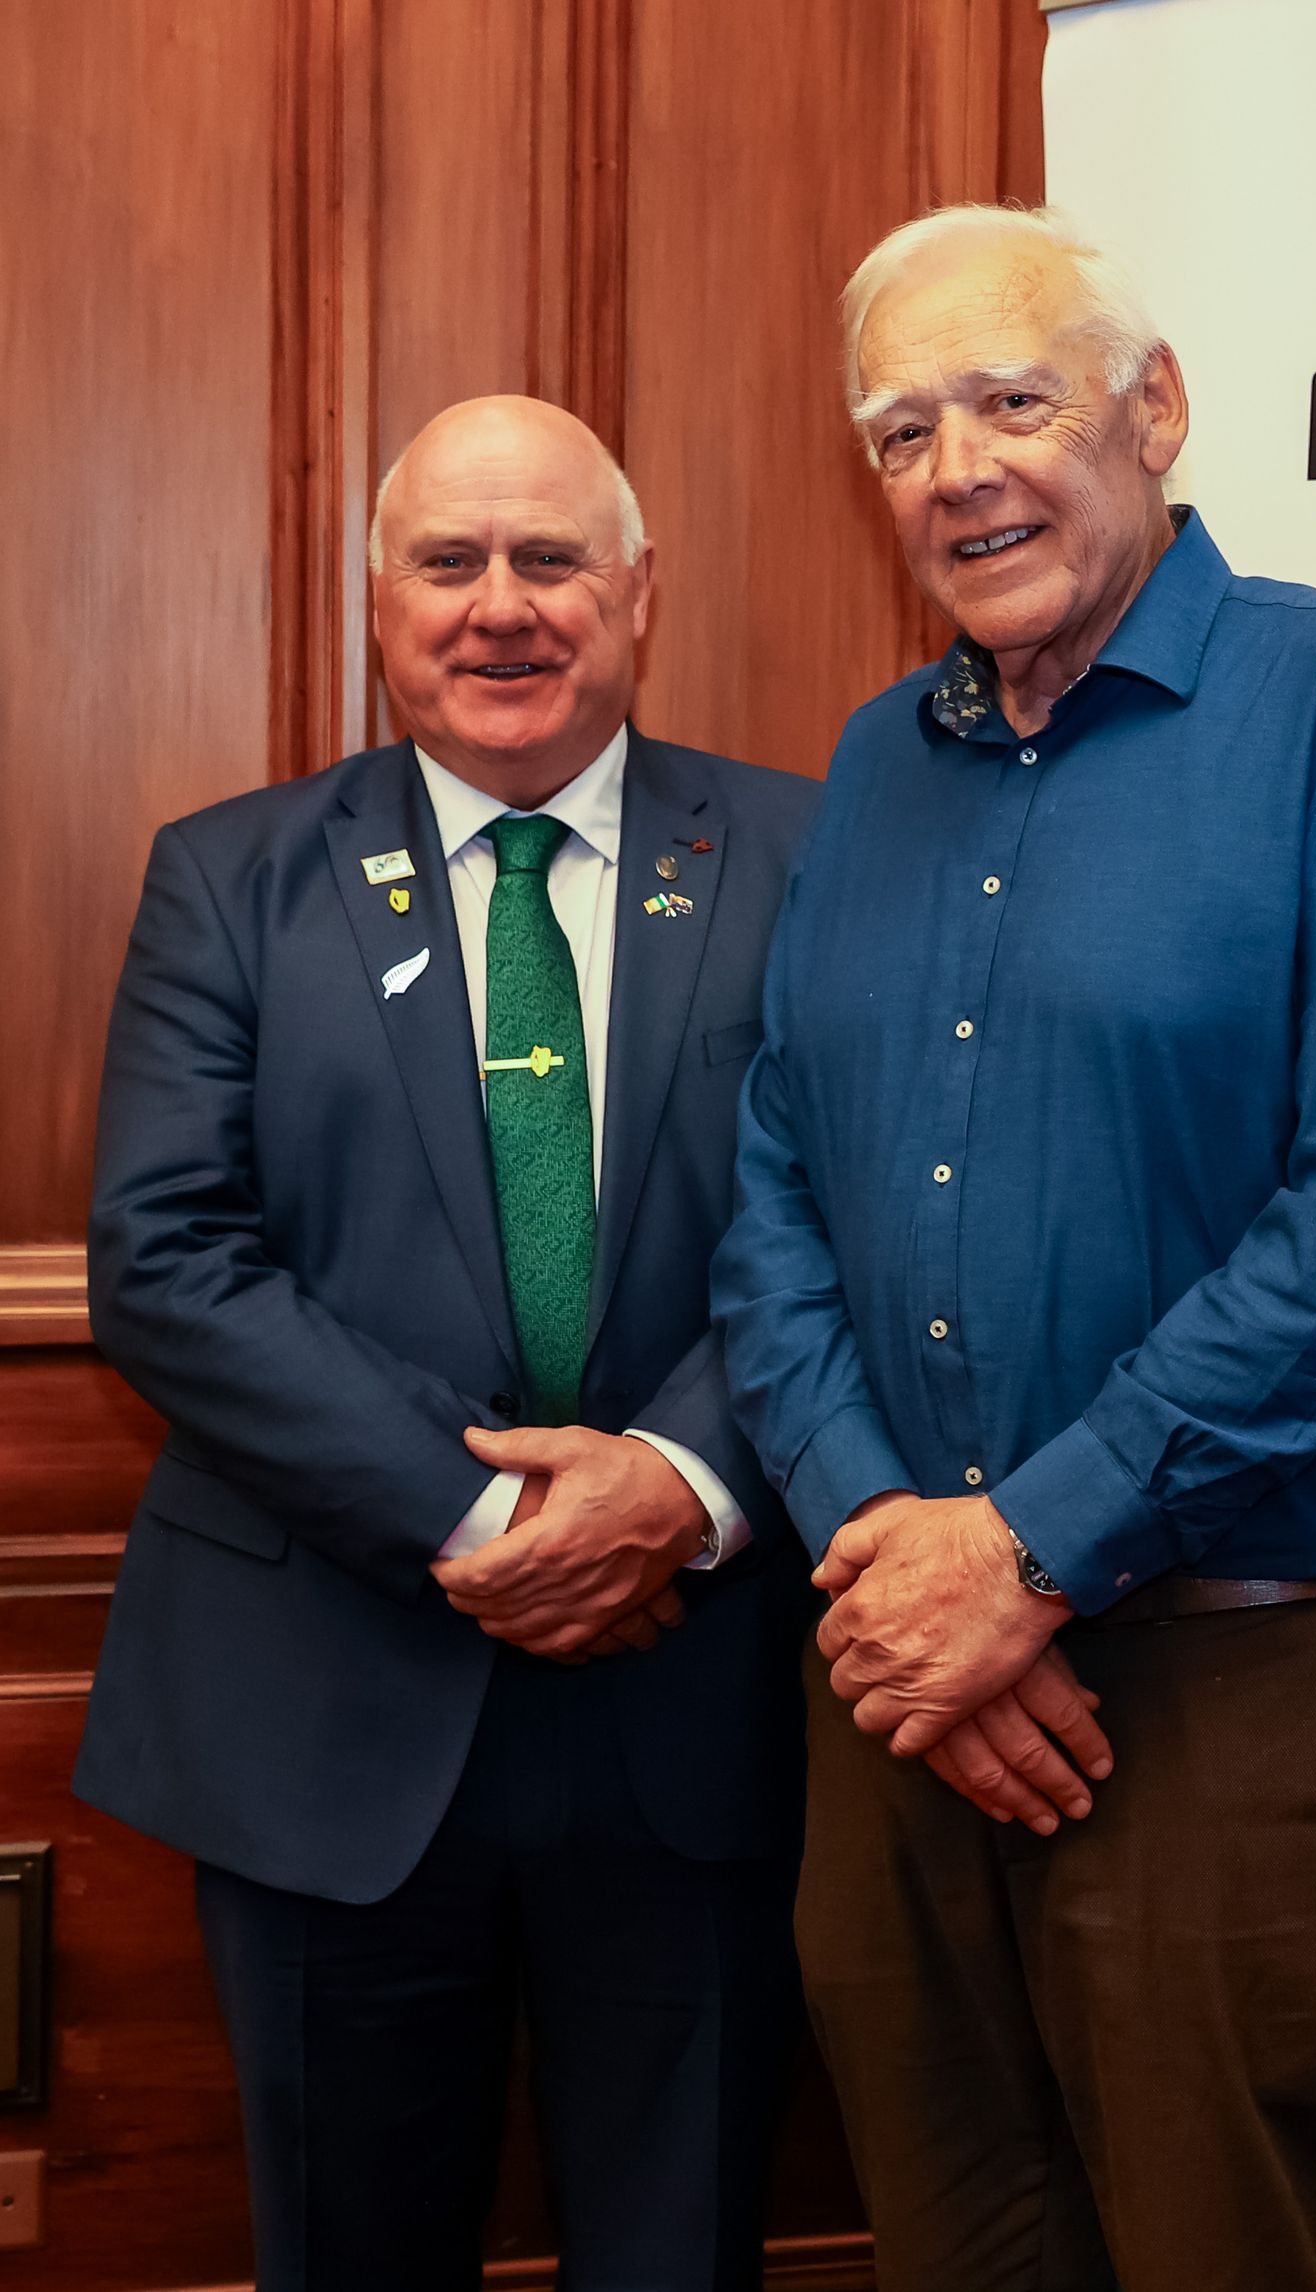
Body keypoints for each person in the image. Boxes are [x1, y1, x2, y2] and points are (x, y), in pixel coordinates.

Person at [712, 207, 1316, 2292]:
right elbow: (776, 1183)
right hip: (902, 1698)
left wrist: (1032, 1555)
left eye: (1011, 401)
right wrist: (897, 1553)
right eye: (902, 432)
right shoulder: (878, 759)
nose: (957, 468)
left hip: (1229, 1693)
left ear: (1153, 411)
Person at [75, 395, 818, 2292]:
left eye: (551, 559)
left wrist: (675, 1486)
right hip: (328, 1709)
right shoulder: (231, 877)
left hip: (696, 1706)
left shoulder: (806, 858)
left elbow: (865, 1225)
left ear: (638, 594)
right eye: (450, 562)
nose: (503, 607)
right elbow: (165, 1259)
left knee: (683, 2252)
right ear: (379, 604)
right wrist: (497, 1524)